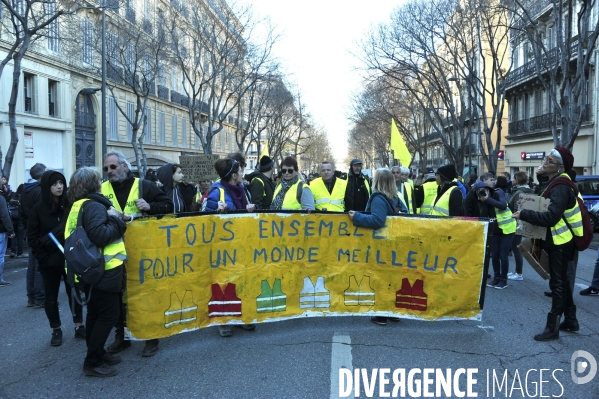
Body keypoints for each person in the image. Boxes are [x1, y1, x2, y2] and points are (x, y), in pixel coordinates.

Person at [102, 150, 173, 357]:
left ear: (124, 166)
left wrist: (150, 206)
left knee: (145, 295)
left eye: (113, 167)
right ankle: (122, 337)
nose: (109, 172)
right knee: (118, 296)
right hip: (114, 252)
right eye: (106, 168)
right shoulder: (102, 189)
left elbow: (168, 206)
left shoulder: (143, 185)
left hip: (143, 252)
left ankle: (151, 337)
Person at [513, 147, 581, 341]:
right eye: (546, 159)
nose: (545, 162)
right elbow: (542, 197)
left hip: (560, 240)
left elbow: (551, 217)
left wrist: (524, 214)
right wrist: (542, 178)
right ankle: (571, 320)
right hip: (558, 239)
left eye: (549, 161)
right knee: (562, 282)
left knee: (557, 283)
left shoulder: (561, 186)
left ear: (560, 167)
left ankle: (553, 327)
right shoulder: (556, 182)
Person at [66, 167, 127, 377]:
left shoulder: (78, 205)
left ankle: (98, 353)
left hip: (87, 269)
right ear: (93, 184)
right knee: (109, 315)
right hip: (104, 270)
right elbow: (100, 236)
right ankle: (92, 361)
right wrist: (116, 219)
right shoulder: (94, 206)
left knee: (95, 313)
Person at [27, 170, 85, 346]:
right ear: (47, 186)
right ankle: (56, 329)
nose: (59, 187)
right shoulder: (38, 210)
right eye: (54, 184)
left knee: (74, 293)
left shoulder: (69, 205)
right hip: (50, 263)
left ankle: (79, 326)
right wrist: (45, 259)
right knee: (50, 297)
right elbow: (33, 238)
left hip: (71, 260)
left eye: (61, 183)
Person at [204, 158, 257, 337]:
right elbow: (204, 216)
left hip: (243, 244)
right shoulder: (217, 192)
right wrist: (216, 211)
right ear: (234, 175)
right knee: (224, 283)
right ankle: (224, 321)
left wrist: (251, 210)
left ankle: (241, 317)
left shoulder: (243, 190)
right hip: (223, 247)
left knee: (242, 279)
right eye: (240, 171)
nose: (243, 174)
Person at [349, 168, 404, 326]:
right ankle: (393, 312)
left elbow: (377, 220)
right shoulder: (395, 198)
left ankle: (381, 314)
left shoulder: (378, 198)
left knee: (380, 277)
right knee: (391, 277)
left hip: (381, 244)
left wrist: (357, 217)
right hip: (393, 243)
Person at [473, 174, 516, 290]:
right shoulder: (483, 197)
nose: (494, 181)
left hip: (507, 228)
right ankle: (496, 277)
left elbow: (502, 205)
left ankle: (503, 280)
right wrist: (482, 202)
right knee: (495, 255)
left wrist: (488, 199)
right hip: (495, 229)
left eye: (493, 179)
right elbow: (483, 215)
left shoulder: (498, 192)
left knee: (503, 255)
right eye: (491, 180)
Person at [18, 162, 47, 307]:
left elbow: (22, 212)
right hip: (40, 231)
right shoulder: (40, 190)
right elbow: (43, 213)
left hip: (30, 230)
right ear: (42, 175)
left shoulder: (24, 190)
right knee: (39, 265)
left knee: (31, 265)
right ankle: (40, 297)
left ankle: (31, 297)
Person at [507, 171, 534, 281]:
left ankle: (519, 273)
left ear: (518, 180)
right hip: (522, 222)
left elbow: (517, 208)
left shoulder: (519, 192)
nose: (512, 180)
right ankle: (517, 272)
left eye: (514, 178)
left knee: (516, 247)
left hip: (518, 222)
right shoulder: (528, 191)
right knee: (516, 246)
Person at [0, 193, 15, 286]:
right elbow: (4, 215)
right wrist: (10, 230)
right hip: (0, 231)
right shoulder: (1, 198)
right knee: (0, 256)